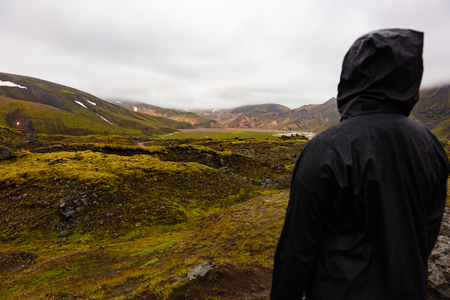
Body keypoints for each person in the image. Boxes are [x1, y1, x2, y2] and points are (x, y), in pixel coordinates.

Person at [270, 29, 450, 300]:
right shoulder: (431, 146)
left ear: (350, 76)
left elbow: (297, 249)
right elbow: (426, 234)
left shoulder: (324, 149)